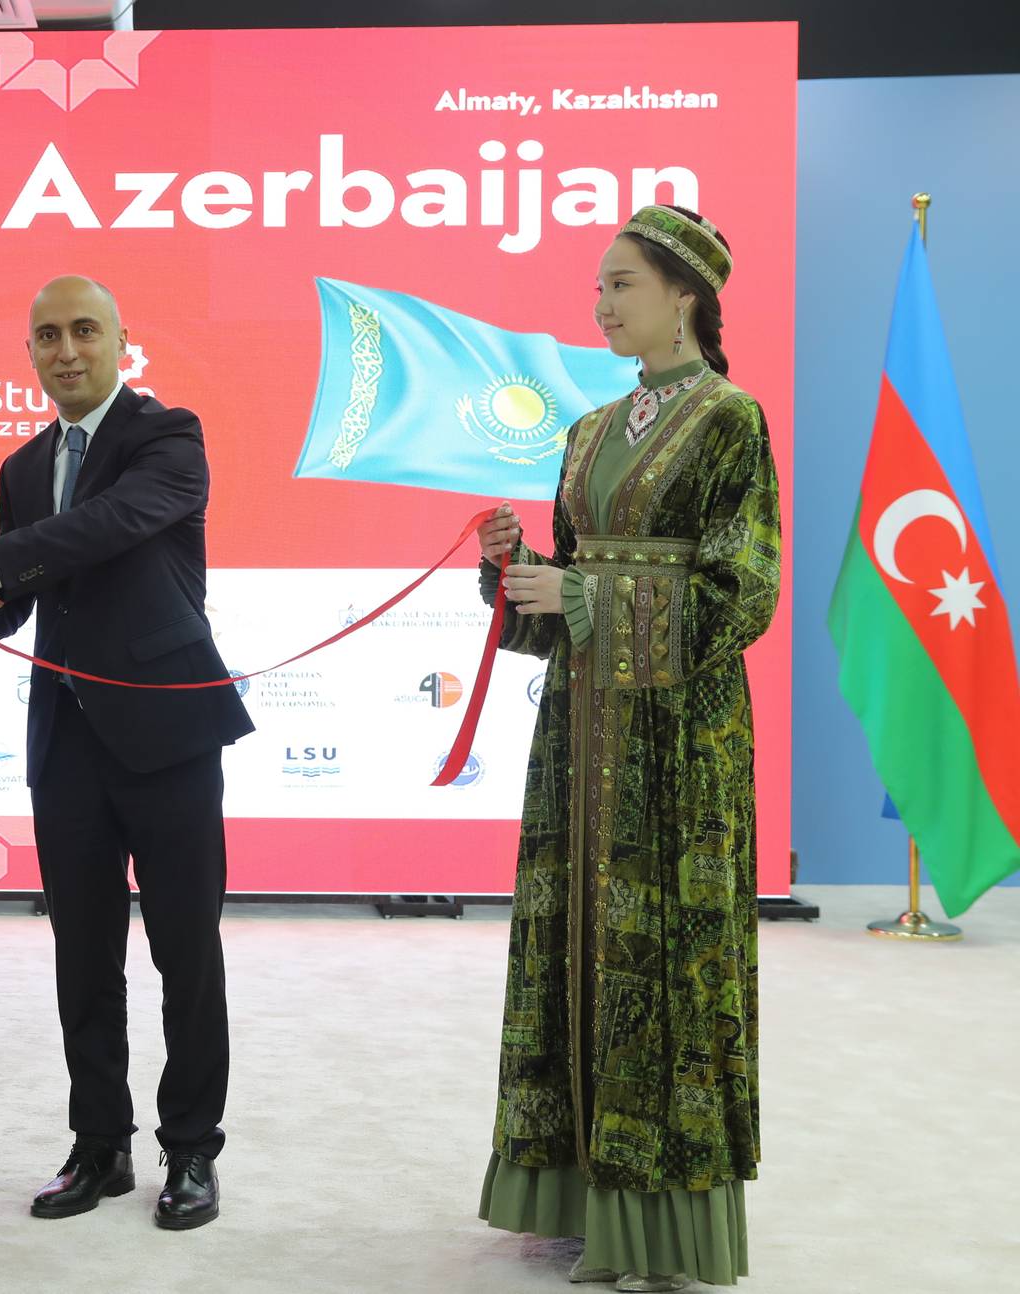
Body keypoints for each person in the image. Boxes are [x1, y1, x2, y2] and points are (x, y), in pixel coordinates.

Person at [473, 206, 778, 1291]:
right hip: (579, 727)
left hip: (678, 737)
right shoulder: (589, 431)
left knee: (667, 955)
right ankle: (572, 1197)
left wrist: (591, 597)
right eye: (599, 285)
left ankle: (662, 1227)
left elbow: (743, 590)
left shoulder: (731, 420)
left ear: (684, 295)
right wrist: (515, 569)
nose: (600, 303)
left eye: (621, 284)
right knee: (572, 941)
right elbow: (563, 598)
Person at [0, 276, 253, 1230]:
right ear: (29, 352)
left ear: (120, 340)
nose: (66, 350)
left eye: (85, 331)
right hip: (65, 742)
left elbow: (104, 528)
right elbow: (30, 590)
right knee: (84, 958)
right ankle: (99, 1145)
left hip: (169, 732)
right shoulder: (23, 465)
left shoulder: (167, 436)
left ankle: (192, 1149)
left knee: (186, 954)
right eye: (48, 336)